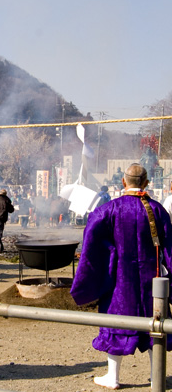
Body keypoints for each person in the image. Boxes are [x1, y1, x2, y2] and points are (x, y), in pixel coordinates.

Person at [71, 163, 172, 390]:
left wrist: (97, 272)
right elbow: (169, 249)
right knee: (154, 325)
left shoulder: (108, 210)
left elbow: (92, 243)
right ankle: (157, 376)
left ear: (123, 182)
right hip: (152, 280)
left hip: (119, 280)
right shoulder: (157, 210)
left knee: (115, 321)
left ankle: (113, 377)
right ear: (146, 183)